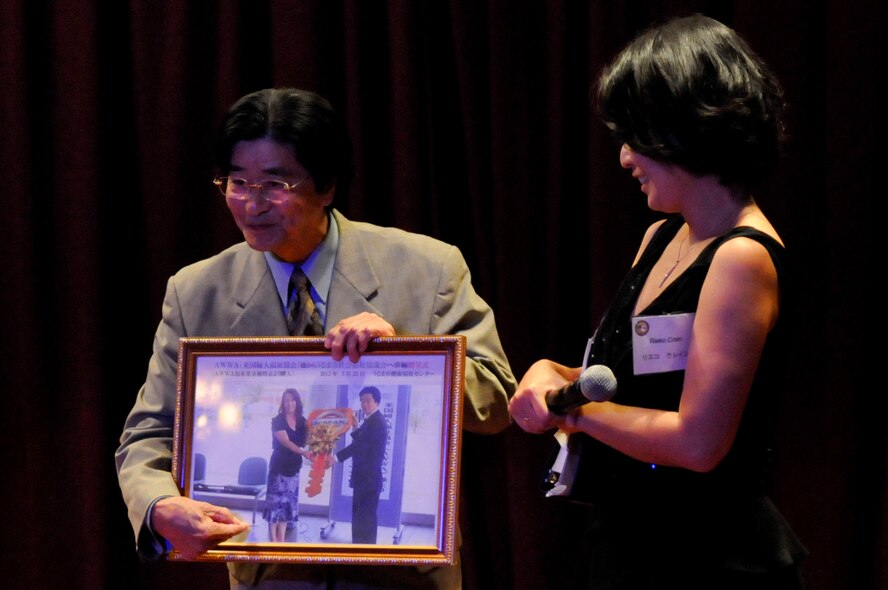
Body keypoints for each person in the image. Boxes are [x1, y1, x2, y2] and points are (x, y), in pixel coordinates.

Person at [115, 87, 516, 589]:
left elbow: (499, 401)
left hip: (404, 576)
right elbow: (148, 433)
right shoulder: (196, 292)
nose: (251, 203)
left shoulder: (428, 267)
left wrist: (406, 352)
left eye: (275, 183)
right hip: (269, 574)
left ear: (326, 186)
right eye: (237, 182)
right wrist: (158, 505)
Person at [508, 14, 808, 589]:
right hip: (632, 541)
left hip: (707, 558)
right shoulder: (663, 235)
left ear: (685, 129)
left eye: (633, 137)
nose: (623, 158)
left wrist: (571, 409)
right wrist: (554, 374)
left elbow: (698, 442)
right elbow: (631, 386)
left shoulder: (741, 257)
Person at [330, 386, 388, 544]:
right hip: (363, 479)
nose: (364, 404)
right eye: (362, 400)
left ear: (376, 401)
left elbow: (358, 446)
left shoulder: (377, 422)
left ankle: (366, 554)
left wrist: (335, 458)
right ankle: (358, 550)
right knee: (360, 518)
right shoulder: (371, 420)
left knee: (366, 520)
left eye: (368, 400)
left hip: (368, 480)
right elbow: (362, 441)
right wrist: (355, 426)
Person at [264, 388, 311, 543]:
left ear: (297, 402)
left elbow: (309, 440)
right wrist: (304, 453)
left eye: (292, 400)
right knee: (274, 506)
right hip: (279, 468)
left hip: (294, 469)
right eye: (286, 400)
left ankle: (281, 541)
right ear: (282, 403)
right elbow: (287, 443)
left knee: (286, 507)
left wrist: (323, 441)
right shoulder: (277, 421)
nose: (290, 403)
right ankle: (273, 543)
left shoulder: (303, 422)